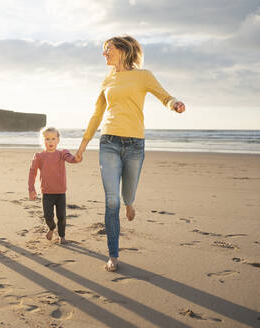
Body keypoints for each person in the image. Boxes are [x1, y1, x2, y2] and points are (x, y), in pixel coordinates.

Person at [75, 36, 185, 271]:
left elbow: (164, 96)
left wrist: (175, 104)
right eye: (104, 49)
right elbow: (96, 116)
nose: (104, 53)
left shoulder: (143, 76)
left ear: (123, 50)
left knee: (128, 193)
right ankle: (113, 254)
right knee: (111, 201)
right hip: (109, 143)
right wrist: (83, 146)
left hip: (135, 144)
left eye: (108, 49)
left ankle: (131, 202)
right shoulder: (106, 81)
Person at [28, 127, 79, 244]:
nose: (50, 142)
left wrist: (77, 157)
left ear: (58, 140)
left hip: (61, 193)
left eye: (53, 139)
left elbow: (72, 159)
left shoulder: (62, 154)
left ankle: (62, 236)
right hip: (47, 193)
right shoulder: (39, 156)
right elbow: (32, 172)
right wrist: (31, 188)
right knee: (48, 216)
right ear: (43, 141)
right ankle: (51, 227)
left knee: (62, 216)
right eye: (47, 139)